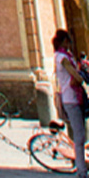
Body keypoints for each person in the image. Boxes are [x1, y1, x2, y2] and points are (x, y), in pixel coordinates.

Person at [54, 29, 88, 178]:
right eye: (69, 41)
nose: (70, 44)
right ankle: (81, 171)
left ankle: (81, 166)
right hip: (70, 99)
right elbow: (77, 78)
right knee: (79, 136)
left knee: (81, 135)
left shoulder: (67, 57)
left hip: (77, 98)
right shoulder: (62, 57)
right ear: (64, 41)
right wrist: (78, 76)